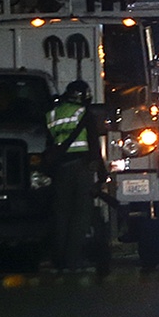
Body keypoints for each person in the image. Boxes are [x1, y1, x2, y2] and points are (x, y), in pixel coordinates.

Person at [45, 79, 96, 271]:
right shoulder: (84, 114)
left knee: (61, 215)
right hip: (81, 168)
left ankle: (58, 260)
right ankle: (72, 260)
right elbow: (93, 145)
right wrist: (100, 172)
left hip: (60, 170)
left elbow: (50, 143)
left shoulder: (52, 114)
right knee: (81, 215)